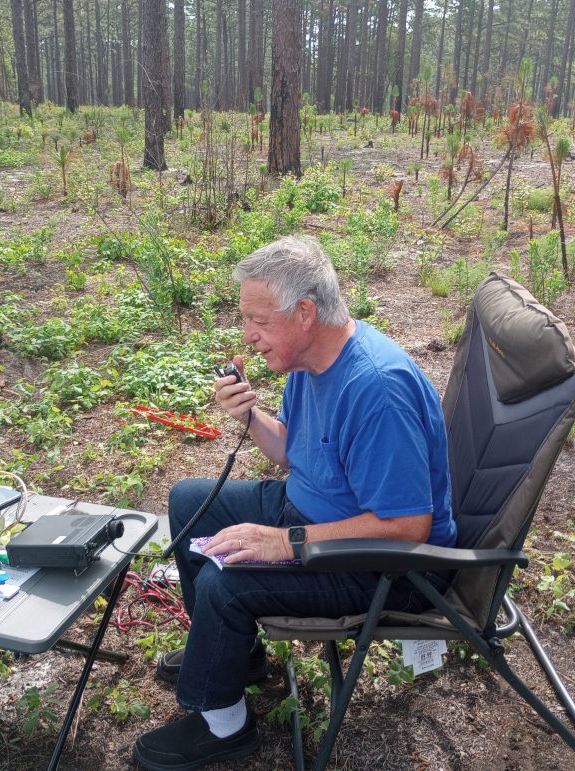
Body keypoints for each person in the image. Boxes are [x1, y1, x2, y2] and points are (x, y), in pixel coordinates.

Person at [133, 235, 456, 770]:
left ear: (305, 312)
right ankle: (239, 659)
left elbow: (406, 527)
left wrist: (283, 541)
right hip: (316, 513)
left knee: (225, 584)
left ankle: (225, 725)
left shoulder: (375, 388)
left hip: (383, 567)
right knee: (191, 499)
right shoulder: (311, 364)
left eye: (258, 320)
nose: (247, 336)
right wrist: (250, 418)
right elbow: (293, 450)